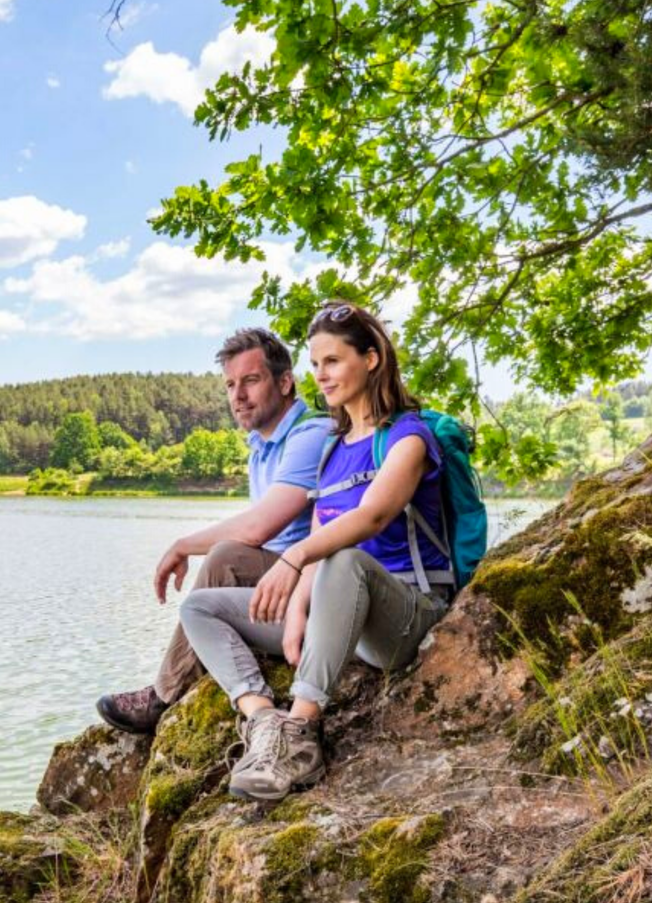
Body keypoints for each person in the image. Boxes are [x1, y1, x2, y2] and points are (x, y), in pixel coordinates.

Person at [178, 302, 453, 802]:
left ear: (371, 360)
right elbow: (324, 530)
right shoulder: (334, 449)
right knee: (201, 606)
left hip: (407, 614)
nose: (320, 376)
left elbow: (369, 519)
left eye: (332, 361)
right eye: (315, 363)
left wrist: (293, 557)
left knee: (344, 559)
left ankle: (300, 736)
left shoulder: (409, 436)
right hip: (343, 612)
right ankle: (263, 720)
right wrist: (299, 607)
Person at [96, 328, 333, 733]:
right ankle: (171, 686)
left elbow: (259, 528)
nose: (238, 395)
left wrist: (183, 545)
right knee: (225, 555)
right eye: (230, 385)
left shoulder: (311, 434)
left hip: (311, 582)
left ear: (285, 381)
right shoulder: (262, 447)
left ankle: (165, 695)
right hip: (277, 579)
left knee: (224, 556)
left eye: (251, 381)